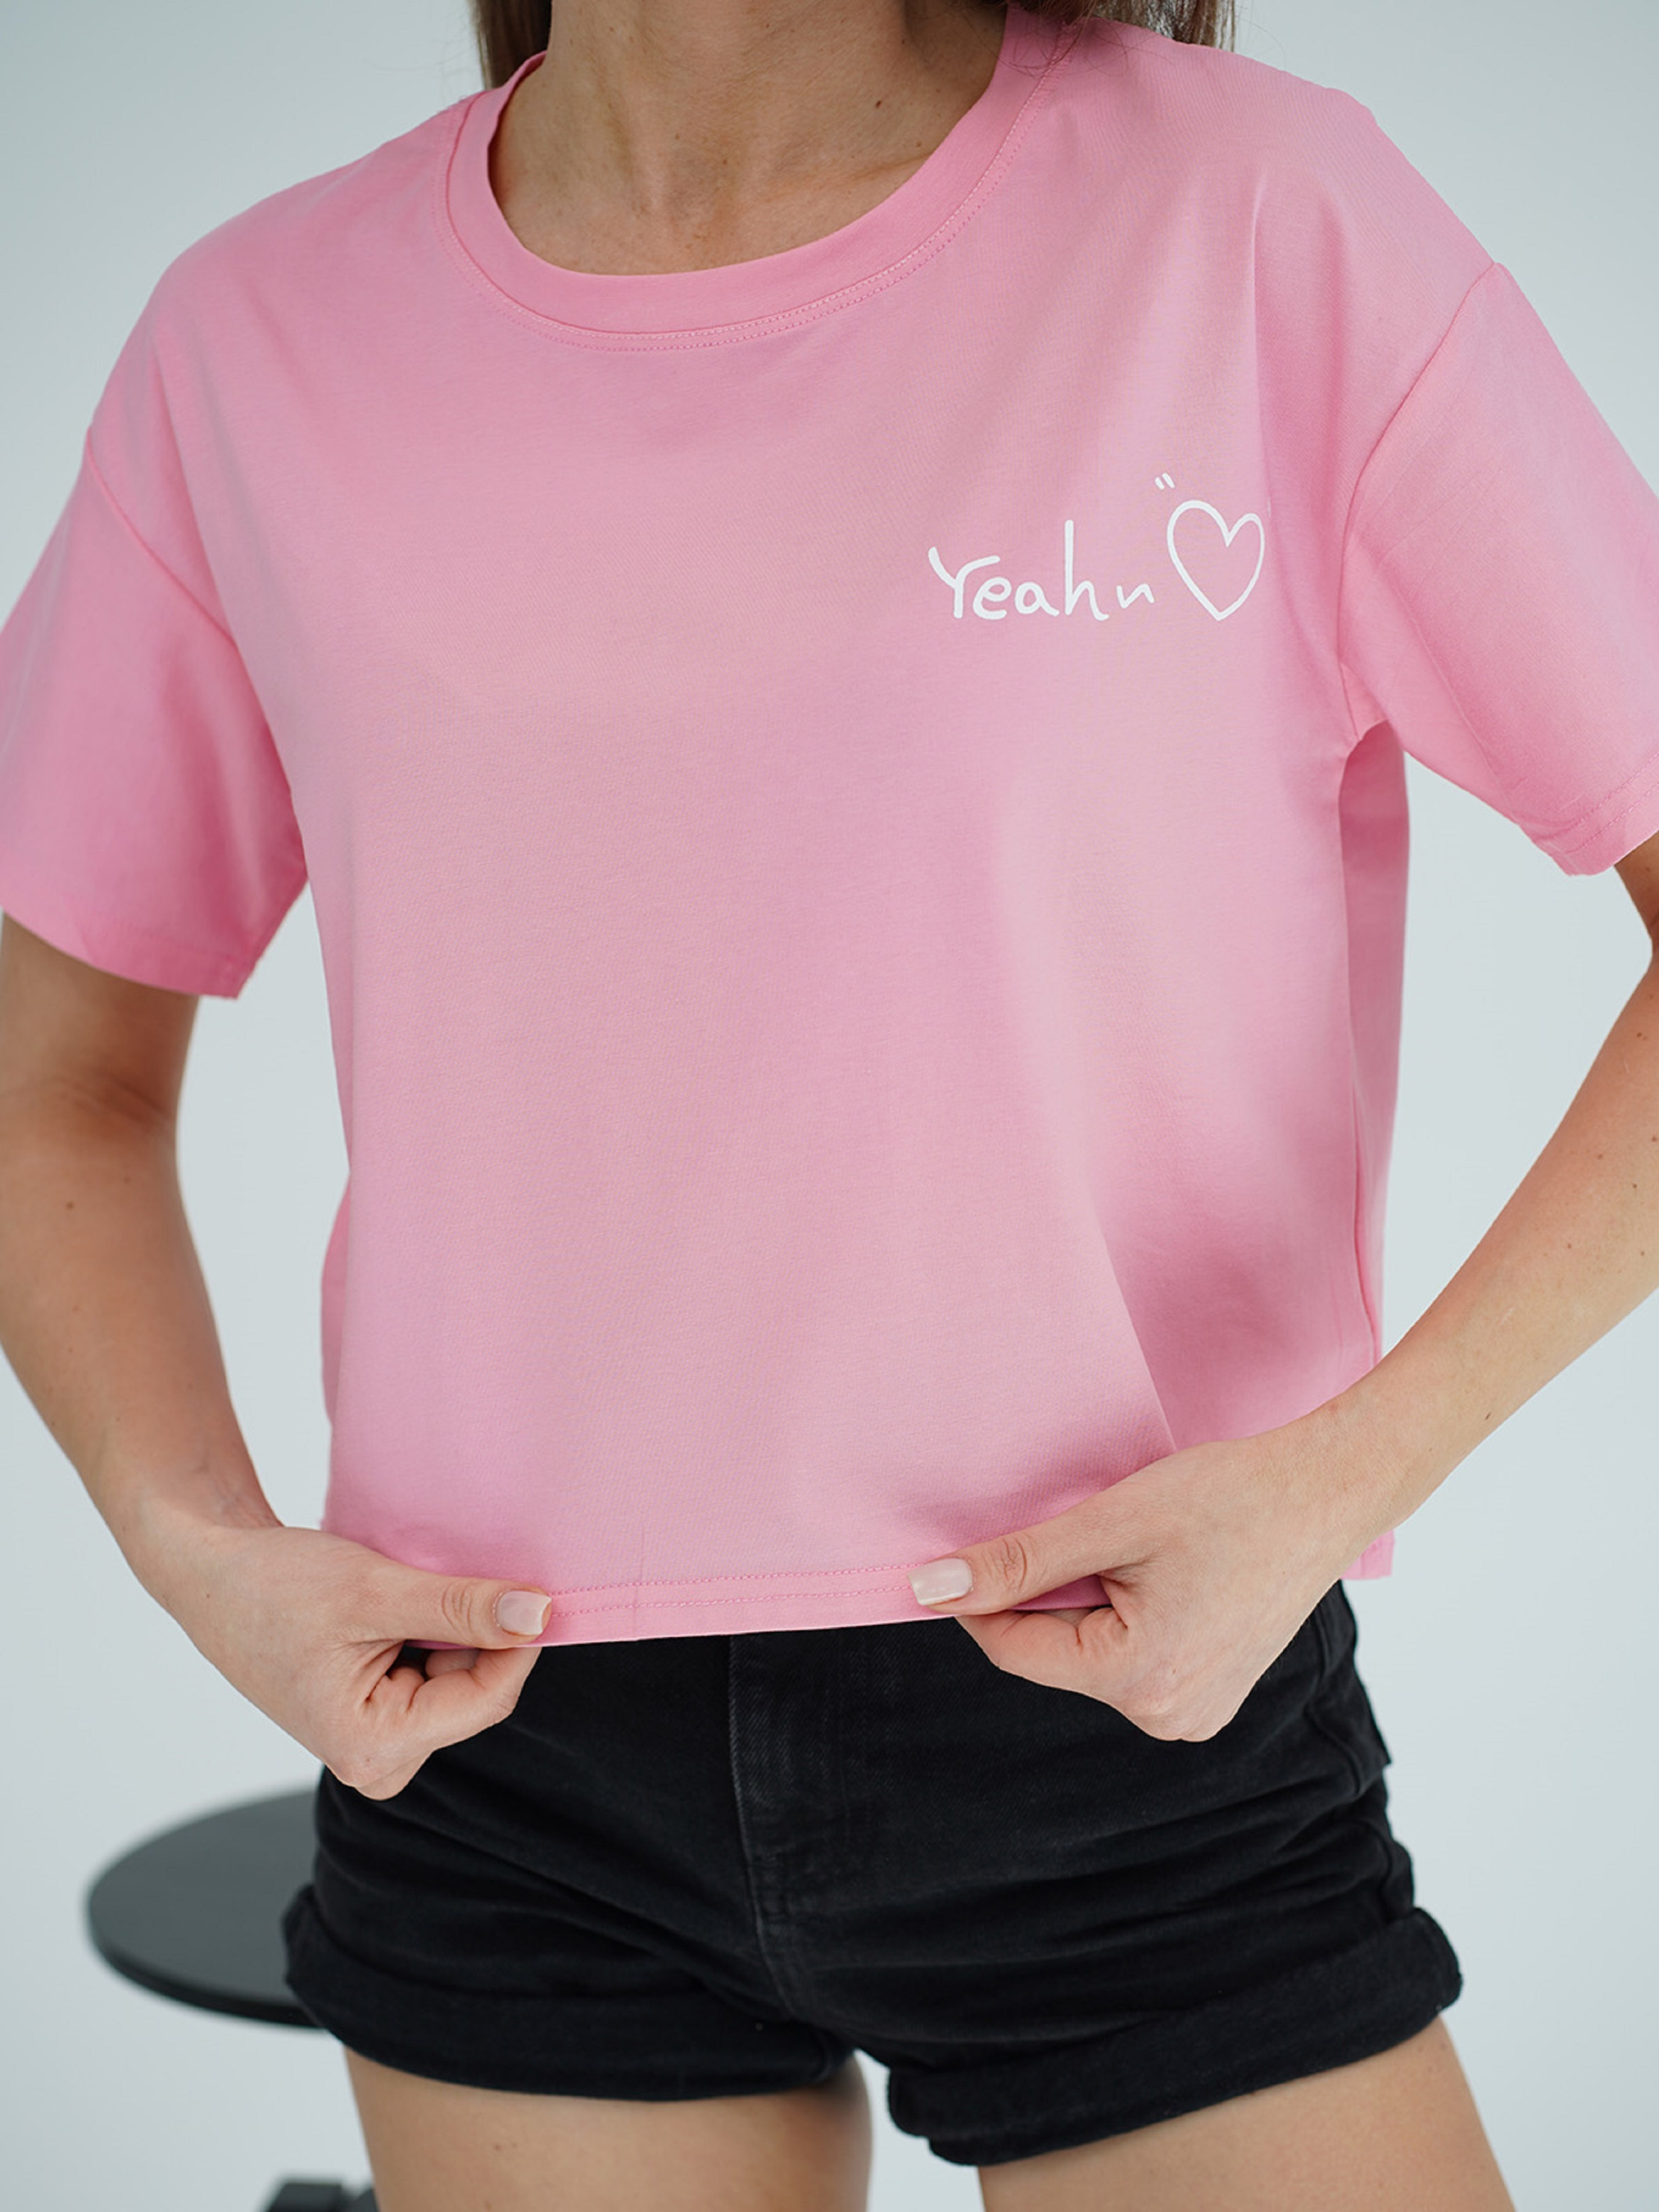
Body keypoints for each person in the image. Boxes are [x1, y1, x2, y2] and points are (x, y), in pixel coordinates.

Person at [2, 0, 1657, 2202]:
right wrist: (193, 1544)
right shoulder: (252, 338)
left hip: (1123, 1700)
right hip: (501, 1759)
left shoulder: (1260, 218)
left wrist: (1347, 1469)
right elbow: (54, 1074)